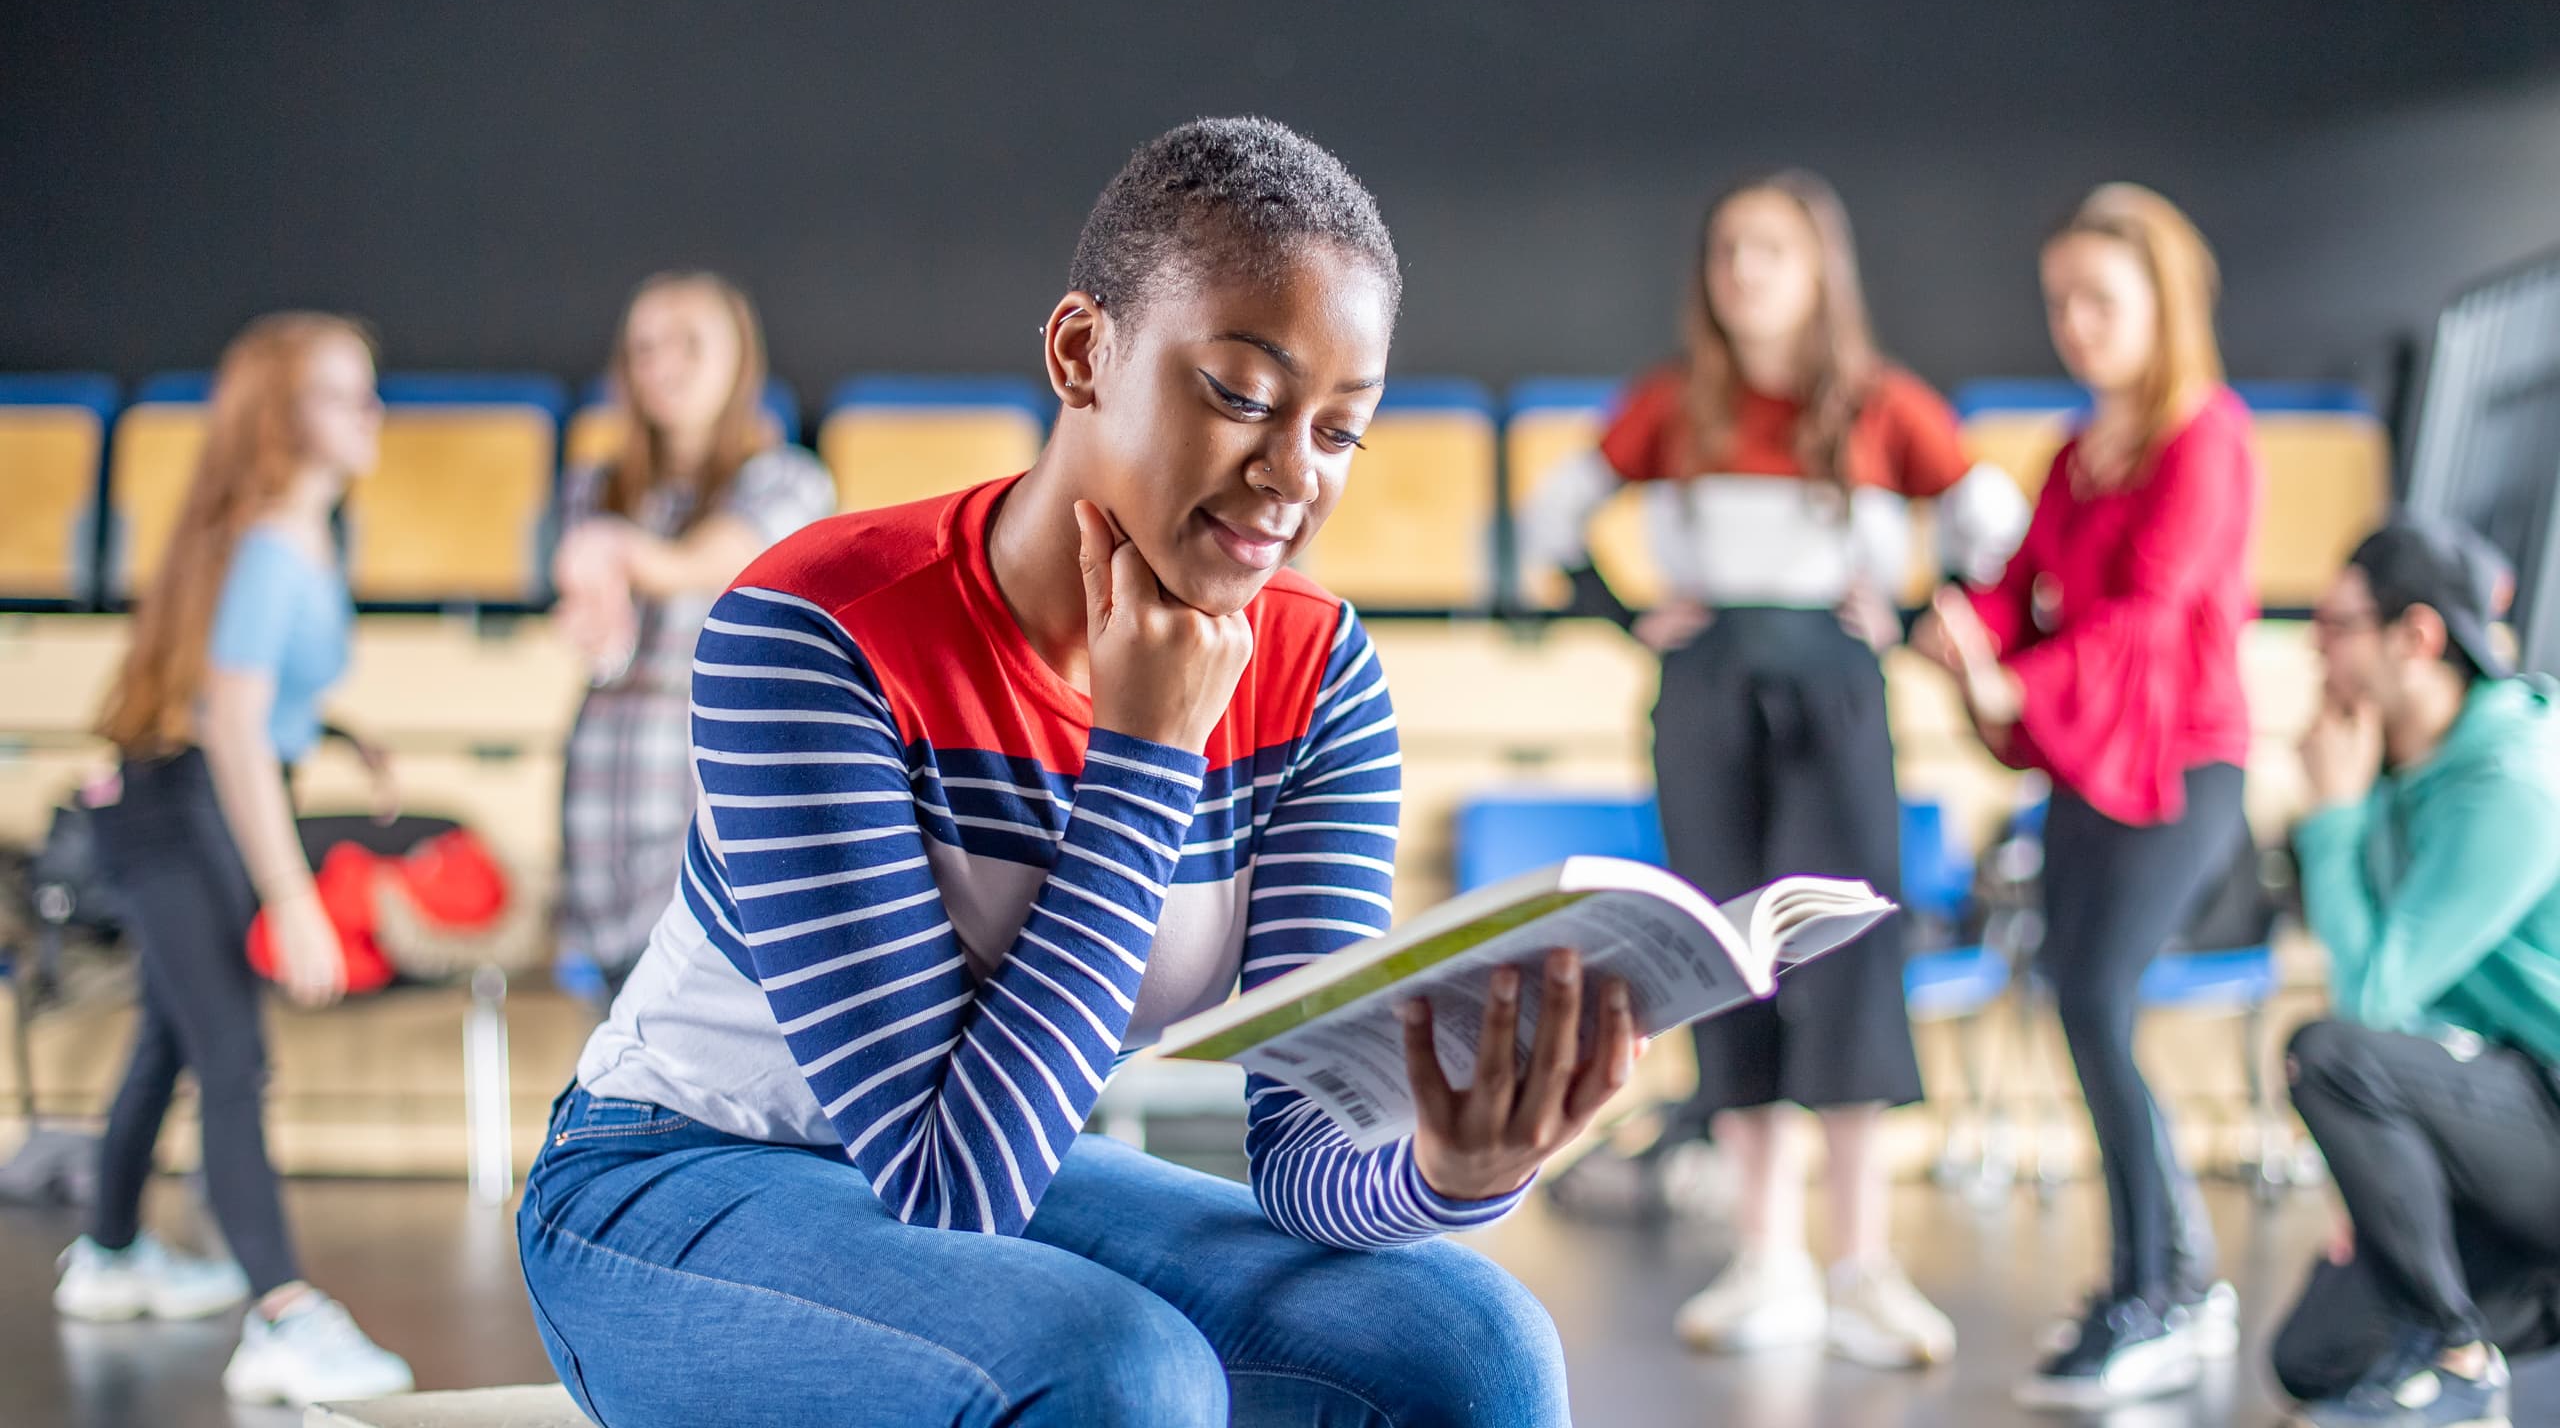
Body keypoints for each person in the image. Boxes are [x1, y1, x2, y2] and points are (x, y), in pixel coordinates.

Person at [517, 117, 1635, 1427]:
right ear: (1081, 351)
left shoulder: (1320, 680)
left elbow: (1306, 1161)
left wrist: (1455, 1167)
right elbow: (950, 1185)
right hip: (675, 1176)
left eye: (1342, 431)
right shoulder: (814, 627)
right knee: (1118, 1371)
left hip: (1017, 1158)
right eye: (1239, 395)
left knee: (1476, 1338)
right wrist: (1147, 755)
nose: (1291, 478)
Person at [1520, 169, 2017, 1369]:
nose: (1743, 271)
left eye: (1771, 251)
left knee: (1844, 953)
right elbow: (1547, 520)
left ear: (1818, 271)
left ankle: (1861, 1266)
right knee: (1728, 954)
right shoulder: (1668, 407)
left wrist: (1907, 618)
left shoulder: (1884, 407)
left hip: (1839, 705)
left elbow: (1992, 527)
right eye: (1728, 249)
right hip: (1704, 704)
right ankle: (1766, 1258)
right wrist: (1618, 609)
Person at [1913, 182, 2259, 1409]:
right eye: (2058, 300)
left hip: (2179, 766)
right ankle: (2168, 1277)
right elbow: (2025, 592)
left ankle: (2158, 1285)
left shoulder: (2206, 436)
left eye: (2097, 299)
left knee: (2099, 1000)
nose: (2073, 322)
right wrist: (1968, 638)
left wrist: (2013, 683)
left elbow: (2143, 625)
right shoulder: (2073, 451)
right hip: (2084, 767)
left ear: (2159, 304)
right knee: (2080, 1001)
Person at [57, 313, 415, 1407]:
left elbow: (255, 691)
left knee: (170, 1041)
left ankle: (110, 1257)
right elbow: (228, 721)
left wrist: (340, 730)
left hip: (188, 795)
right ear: (280, 420)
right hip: (180, 809)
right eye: (342, 394)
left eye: (369, 389)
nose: (373, 414)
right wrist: (290, 896)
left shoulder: (292, 531)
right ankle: (282, 1316)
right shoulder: (270, 541)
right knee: (232, 1056)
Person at [2269, 519, 2560, 1428]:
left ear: (2417, 637)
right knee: (2312, 1357)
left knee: (2325, 1052)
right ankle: (2492, 1311)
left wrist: (2335, 818)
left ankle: (2460, 1359)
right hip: (2505, 1105)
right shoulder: (2401, 765)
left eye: (2335, 623)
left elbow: (2373, 1005)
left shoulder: (2514, 779)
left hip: (2548, 1105)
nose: (2315, 647)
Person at [550, 272, 835, 1002]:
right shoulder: (595, 487)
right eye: (644, 347)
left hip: (711, 825)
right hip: (605, 816)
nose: (662, 365)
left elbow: (712, 559)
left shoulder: (789, 482)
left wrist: (619, 553)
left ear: (738, 360)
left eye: (688, 345)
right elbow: (597, 635)